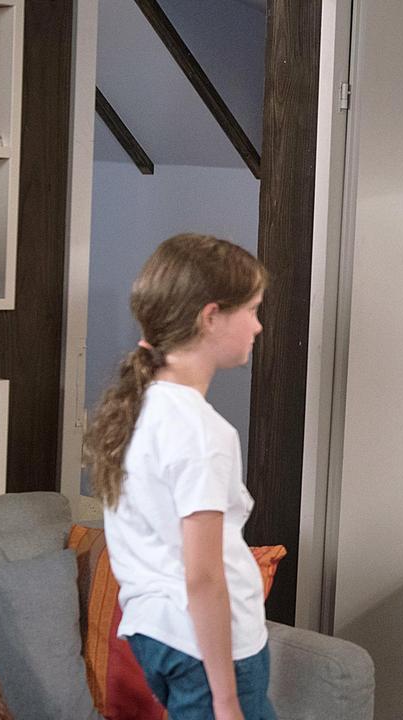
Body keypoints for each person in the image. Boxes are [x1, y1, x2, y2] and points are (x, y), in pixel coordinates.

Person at [84, 233, 272, 720]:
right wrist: (226, 699)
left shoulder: (136, 407)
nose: (257, 326)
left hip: (156, 635)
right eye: (251, 309)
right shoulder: (201, 432)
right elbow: (203, 577)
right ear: (210, 316)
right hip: (208, 649)